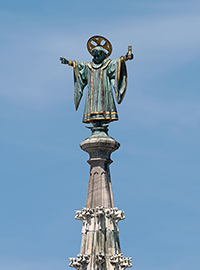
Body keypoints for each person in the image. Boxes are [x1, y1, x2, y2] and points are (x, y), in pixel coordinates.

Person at [60, 36, 133, 126]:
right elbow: (79, 65)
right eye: (95, 55)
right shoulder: (89, 66)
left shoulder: (107, 64)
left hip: (104, 92)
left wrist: (126, 57)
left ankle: (102, 121)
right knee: (92, 105)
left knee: (104, 104)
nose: (96, 57)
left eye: (98, 55)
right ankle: (95, 122)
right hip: (92, 93)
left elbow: (117, 62)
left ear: (103, 55)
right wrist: (68, 62)